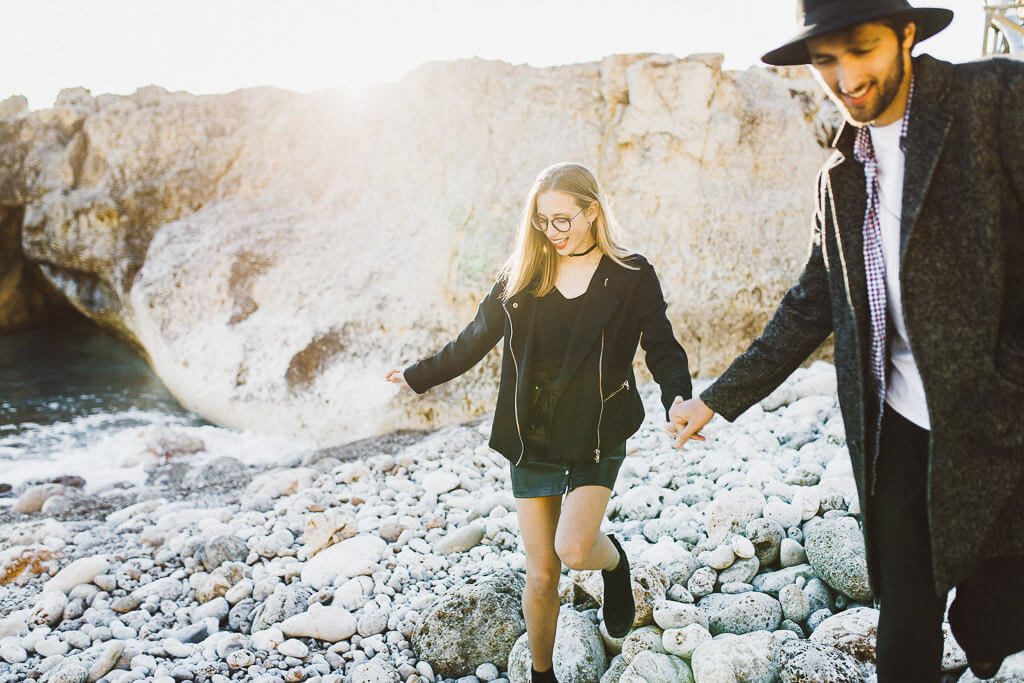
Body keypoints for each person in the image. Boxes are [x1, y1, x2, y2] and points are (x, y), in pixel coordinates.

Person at [667, 1, 1024, 680]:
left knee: (996, 605)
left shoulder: (996, 101)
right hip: (897, 429)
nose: (844, 76)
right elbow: (812, 301)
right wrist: (716, 398)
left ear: (907, 34)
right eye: (825, 60)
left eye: (860, 49)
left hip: (1002, 419)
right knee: (906, 606)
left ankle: (986, 637)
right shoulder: (841, 175)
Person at [387, 162, 694, 682]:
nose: (551, 233)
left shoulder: (631, 274)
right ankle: (541, 674)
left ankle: (613, 563)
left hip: (598, 430)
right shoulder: (522, 276)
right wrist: (418, 375)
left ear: (591, 211)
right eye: (541, 222)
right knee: (542, 571)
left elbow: (661, 345)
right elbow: (473, 340)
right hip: (533, 434)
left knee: (575, 549)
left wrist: (678, 398)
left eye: (562, 220)